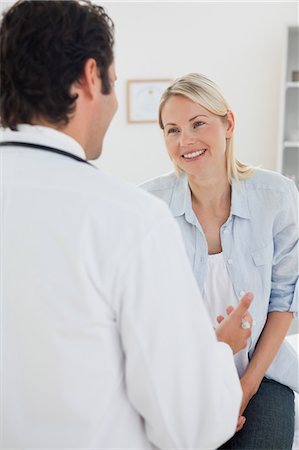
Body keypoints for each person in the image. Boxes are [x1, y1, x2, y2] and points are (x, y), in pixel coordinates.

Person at [0, 2, 255, 449]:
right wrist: (218, 350)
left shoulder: (272, 197)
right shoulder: (130, 219)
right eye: (114, 84)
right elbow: (189, 427)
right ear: (89, 76)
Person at [140, 72, 299, 450]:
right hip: (183, 382)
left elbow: (283, 301)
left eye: (198, 124)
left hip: (262, 375)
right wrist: (215, 350)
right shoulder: (148, 207)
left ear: (228, 123)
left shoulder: (275, 196)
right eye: (172, 130)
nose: (186, 141)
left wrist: (243, 390)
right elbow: (146, 318)